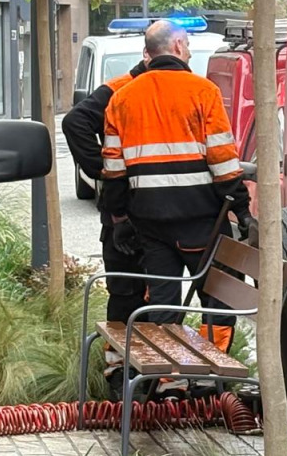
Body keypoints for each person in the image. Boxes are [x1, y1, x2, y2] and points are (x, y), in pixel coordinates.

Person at [101, 20, 250, 360]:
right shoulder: (203, 92)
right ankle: (211, 372)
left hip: (150, 224)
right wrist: (241, 209)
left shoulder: (121, 99)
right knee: (218, 299)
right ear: (179, 47)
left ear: (148, 53)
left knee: (162, 301)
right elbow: (223, 161)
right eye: (188, 46)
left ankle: (168, 377)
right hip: (201, 221)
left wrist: (120, 217)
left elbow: (113, 169)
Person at [62, 55, 148, 399]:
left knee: (135, 294)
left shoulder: (129, 89)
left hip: (130, 214)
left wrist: (106, 170)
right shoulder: (122, 89)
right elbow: (75, 122)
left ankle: (137, 375)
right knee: (129, 293)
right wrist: (103, 169)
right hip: (127, 215)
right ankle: (122, 372)